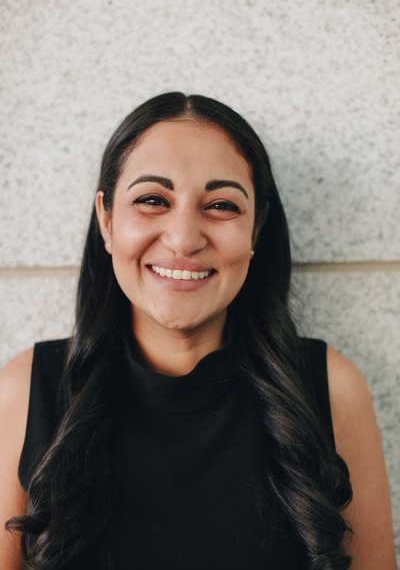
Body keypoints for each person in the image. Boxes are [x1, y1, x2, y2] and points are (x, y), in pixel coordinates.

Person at [0, 92, 396, 570]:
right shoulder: (25, 391)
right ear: (106, 219)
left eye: (222, 205)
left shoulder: (331, 388)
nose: (184, 238)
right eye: (151, 200)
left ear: (256, 229)